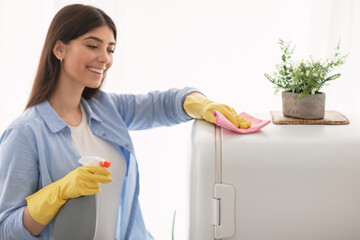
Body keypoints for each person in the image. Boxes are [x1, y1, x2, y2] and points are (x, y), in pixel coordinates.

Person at [0, 4, 250, 240]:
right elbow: (6, 229)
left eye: (110, 49)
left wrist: (199, 103)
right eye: (92, 45)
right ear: (59, 49)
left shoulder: (106, 109)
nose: (105, 59)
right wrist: (57, 193)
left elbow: (163, 104)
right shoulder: (24, 133)